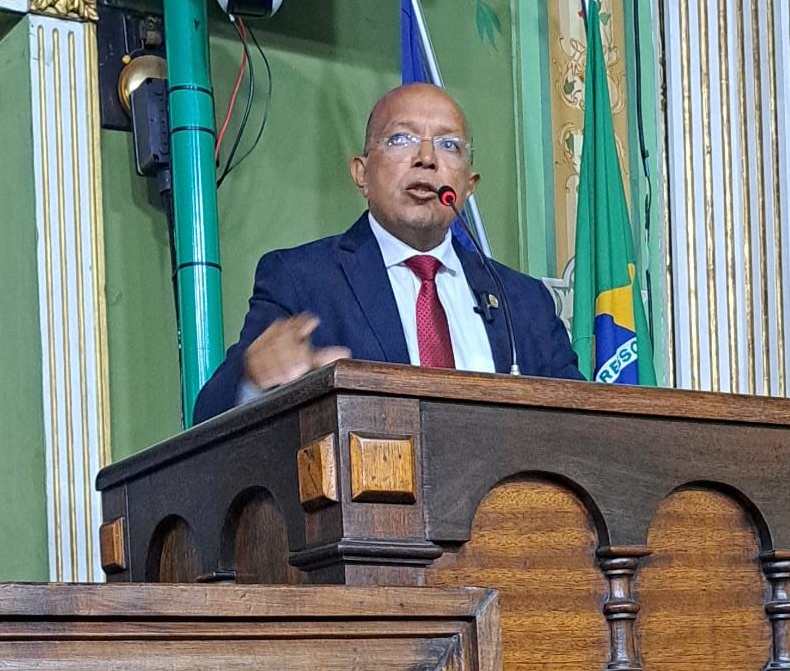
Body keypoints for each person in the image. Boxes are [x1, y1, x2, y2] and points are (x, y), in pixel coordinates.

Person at [192, 82, 583, 423]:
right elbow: (208, 418)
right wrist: (252, 379)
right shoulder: (302, 279)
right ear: (361, 173)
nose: (426, 158)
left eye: (449, 145)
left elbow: (585, 421)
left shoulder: (523, 303)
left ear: (468, 185)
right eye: (401, 139)